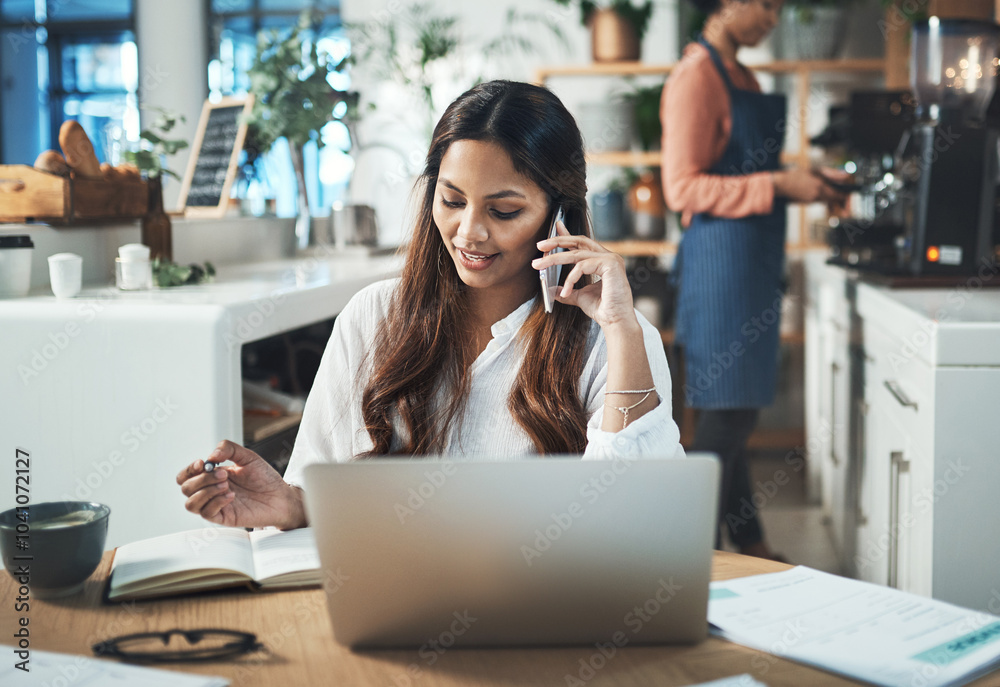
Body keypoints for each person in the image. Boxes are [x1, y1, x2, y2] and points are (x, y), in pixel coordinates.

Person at [177, 80, 685, 530]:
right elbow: (324, 487)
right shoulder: (373, 316)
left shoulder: (612, 338)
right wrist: (291, 504)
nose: (470, 232)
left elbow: (637, 519)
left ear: (558, 217)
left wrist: (621, 330)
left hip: (541, 599)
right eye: (452, 201)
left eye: (503, 211)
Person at [661, 0, 845, 558]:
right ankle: (691, 557)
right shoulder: (696, 76)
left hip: (750, 264)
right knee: (726, 417)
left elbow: (740, 172)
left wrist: (805, 180)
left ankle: (749, 541)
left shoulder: (742, 75)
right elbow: (681, 187)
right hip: (720, 267)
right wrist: (781, 186)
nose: (772, 18)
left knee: (736, 412)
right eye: (765, 4)